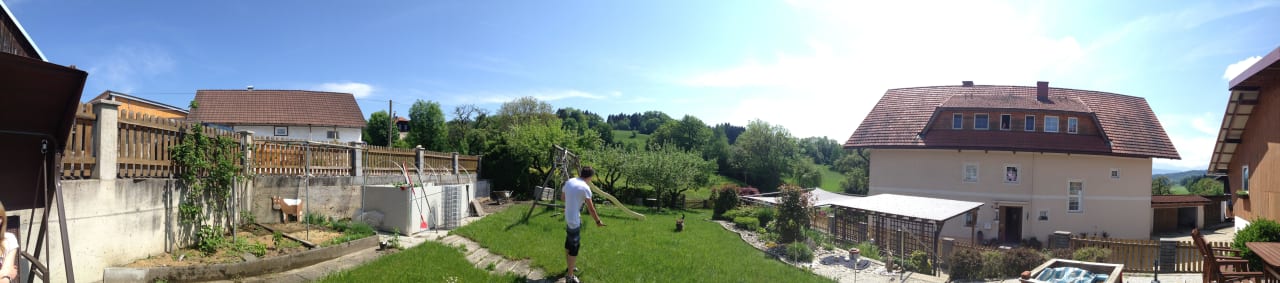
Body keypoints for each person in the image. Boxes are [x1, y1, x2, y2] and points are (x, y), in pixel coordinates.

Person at [563, 166, 604, 283]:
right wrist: (598, 221)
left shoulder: (569, 181)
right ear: (590, 177)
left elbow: (562, 198)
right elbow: (591, 209)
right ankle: (570, 277)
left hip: (568, 217)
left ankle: (569, 267)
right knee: (574, 247)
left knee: (568, 243)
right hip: (574, 220)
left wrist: (572, 203)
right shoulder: (585, 188)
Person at [0, 202, 17, 283]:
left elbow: (5, 280)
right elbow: (6, 272)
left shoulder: (9, 239)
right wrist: (3, 272)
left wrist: (5, 274)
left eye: (0, 217)